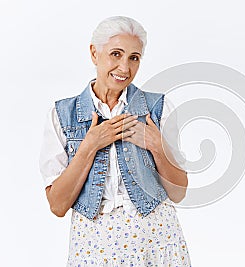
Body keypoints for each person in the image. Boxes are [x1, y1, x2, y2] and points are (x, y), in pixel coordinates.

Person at [39, 16, 191, 266]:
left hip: (157, 241)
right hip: (93, 247)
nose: (124, 68)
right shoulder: (61, 115)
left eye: (134, 58)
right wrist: (89, 146)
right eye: (116, 54)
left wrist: (156, 146)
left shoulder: (159, 109)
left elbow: (178, 192)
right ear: (94, 53)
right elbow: (57, 205)